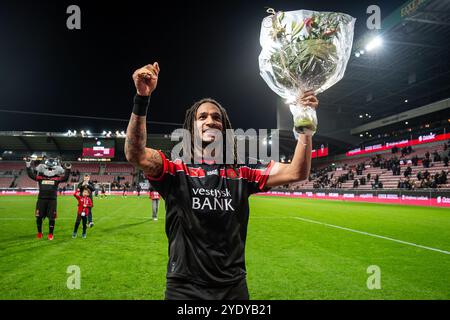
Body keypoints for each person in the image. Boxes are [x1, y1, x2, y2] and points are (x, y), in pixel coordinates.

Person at [125, 62, 316, 300]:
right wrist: (142, 98)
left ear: (224, 128)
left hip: (233, 288)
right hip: (184, 288)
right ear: (191, 127)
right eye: (202, 116)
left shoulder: (243, 171)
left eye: (216, 117)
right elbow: (136, 154)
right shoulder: (175, 169)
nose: (210, 120)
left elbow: (297, 171)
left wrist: (305, 125)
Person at [25, 157, 71, 240]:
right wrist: (28, 165)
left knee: (52, 218)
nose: (49, 170)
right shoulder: (40, 178)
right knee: (38, 217)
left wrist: (68, 169)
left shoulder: (57, 178)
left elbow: (65, 178)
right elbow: (31, 175)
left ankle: (50, 234)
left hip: (52, 201)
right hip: (41, 200)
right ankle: (39, 232)